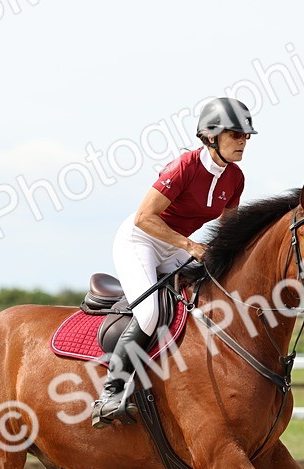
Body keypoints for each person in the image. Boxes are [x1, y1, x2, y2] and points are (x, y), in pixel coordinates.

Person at [91, 97, 256, 427]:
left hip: (175, 246)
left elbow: (228, 230)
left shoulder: (235, 178)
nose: (243, 141)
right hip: (141, 240)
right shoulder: (184, 167)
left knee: (205, 299)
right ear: (211, 136)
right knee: (149, 313)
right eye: (236, 134)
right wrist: (190, 245)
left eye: (246, 136)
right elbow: (144, 218)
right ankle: (110, 393)